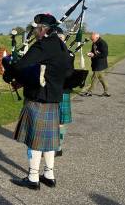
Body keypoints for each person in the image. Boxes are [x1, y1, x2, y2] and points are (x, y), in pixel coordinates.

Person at [10, 14, 72, 190]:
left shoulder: (42, 45)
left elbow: (21, 66)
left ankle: (32, 178)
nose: (34, 32)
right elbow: (68, 72)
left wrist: (10, 72)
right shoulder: (61, 45)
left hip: (38, 98)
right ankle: (49, 174)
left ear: (42, 28)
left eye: (35, 28)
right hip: (54, 98)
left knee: (35, 140)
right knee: (50, 141)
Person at [56, 28, 75, 157]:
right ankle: (51, 146)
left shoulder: (69, 54)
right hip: (54, 90)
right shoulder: (68, 53)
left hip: (62, 89)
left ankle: (58, 146)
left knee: (60, 120)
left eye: (61, 39)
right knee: (53, 120)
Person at [81, 32, 109, 97]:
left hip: (100, 64)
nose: (92, 40)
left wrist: (94, 55)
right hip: (95, 63)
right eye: (91, 39)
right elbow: (93, 51)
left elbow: (104, 54)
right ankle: (106, 91)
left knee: (94, 78)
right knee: (102, 78)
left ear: (97, 37)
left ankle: (89, 92)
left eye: (92, 39)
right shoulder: (95, 42)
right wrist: (90, 53)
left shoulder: (102, 43)